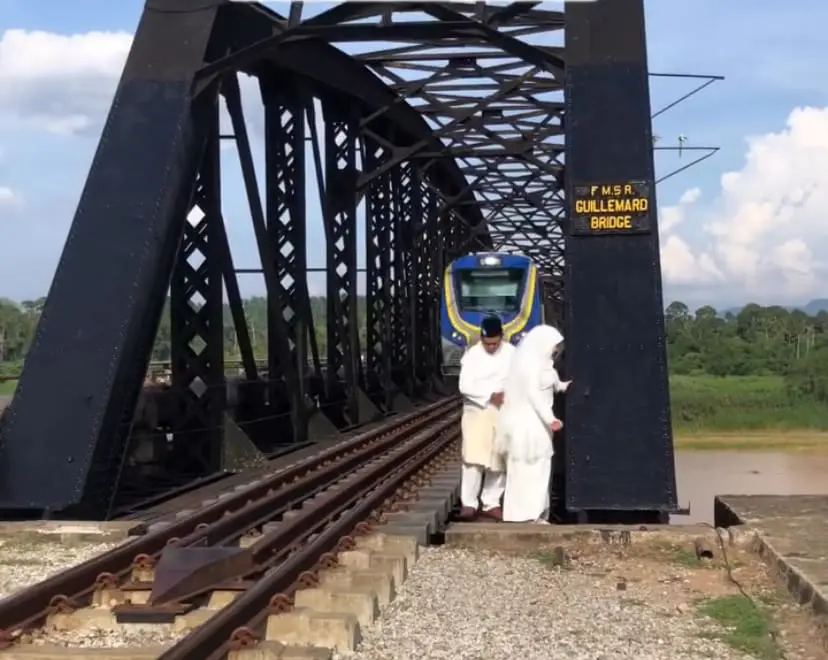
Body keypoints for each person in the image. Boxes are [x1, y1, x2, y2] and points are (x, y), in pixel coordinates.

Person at [495, 325, 571, 524]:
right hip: (529, 424)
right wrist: (550, 419)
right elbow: (535, 395)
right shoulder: (531, 366)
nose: (556, 350)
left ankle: (535, 512)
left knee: (538, 468)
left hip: (537, 426)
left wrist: (565, 386)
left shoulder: (542, 364)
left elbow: (552, 386)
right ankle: (526, 514)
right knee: (529, 467)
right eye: (554, 346)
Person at [457, 315, 516, 521]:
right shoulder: (472, 355)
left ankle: (491, 502)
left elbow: (518, 379)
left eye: (494, 343)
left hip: (503, 411)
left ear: (501, 337)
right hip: (477, 411)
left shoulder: (512, 353)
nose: (491, 347)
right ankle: (469, 503)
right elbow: (464, 386)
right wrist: (490, 394)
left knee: (499, 458)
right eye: (487, 343)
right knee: (473, 458)